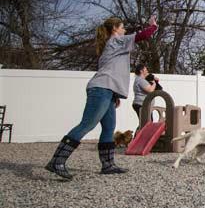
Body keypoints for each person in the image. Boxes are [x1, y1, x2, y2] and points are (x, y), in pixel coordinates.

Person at [45, 16, 158, 180]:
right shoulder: (116, 41)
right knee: (87, 124)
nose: (124, 30)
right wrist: (153, 26)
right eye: (122, 27)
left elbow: (113, 71)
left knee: (109, 127)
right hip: (101, 89)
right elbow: (142, 36)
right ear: (115, 29)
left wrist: (115, 94)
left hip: (108, 91)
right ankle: (57, 161)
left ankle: (108, 165)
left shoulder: (114, 45)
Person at [132, 64, 159, 135]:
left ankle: (137, 139)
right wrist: (154, 84)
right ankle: (136, 139)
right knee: (145, 123)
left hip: (144, 105)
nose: (147, 71)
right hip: (141, 104)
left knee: (146, 122)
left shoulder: (141, 79)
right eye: (145, 69)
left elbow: (150, 76)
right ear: (141, 71)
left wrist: (154, 78)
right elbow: (150, 90)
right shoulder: (140, 80)